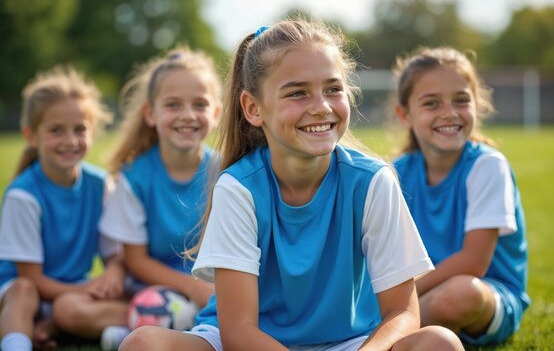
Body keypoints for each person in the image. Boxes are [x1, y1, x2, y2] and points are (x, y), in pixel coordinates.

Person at [120, 19, 464, 351]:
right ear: (254, 108)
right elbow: (239, 331)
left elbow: (402, 311)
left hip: (349, 342)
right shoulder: (238, 189)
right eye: (298, 93)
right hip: (249, 344)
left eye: (333, 89)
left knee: (440, 343)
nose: (321, 107)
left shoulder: (373, 181)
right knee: (142, 343)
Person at [390, 47, 530, 346]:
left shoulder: (487, 166)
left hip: (487, 295)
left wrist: (401, 297)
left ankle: (380, 336)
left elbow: (473, 262)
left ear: (476, 106)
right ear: (405, 115)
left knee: (459, 295)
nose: (449, 112)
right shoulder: (396, 172)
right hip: (420, 293)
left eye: (461, 100)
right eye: (431, 103)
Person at [98, 46, 222, 349]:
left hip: (215, 287)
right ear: (151, 114)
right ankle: (156, 325)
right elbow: (135, 260)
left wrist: (208, 289)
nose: (188, 115)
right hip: (152, 288)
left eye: (200, 104)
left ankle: (141, 331)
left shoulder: (224, 170)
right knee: (70, 311)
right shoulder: (134, 177)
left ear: (216, 112)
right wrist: (192, 288)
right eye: (173, 105)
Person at [0, 66, 128, 351]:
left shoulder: (100, 185)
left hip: (71, 296)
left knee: (130, 289)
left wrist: (113, 274)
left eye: (80, 129)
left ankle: (57, 327)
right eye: (56, 131)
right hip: (21, 297)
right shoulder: (23, 195)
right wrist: (88, 289)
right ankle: (18, 341)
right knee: (23, 292)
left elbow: (114, 256)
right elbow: (30, 279)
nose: (70, 141)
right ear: (32, 135)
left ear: (92, 132)